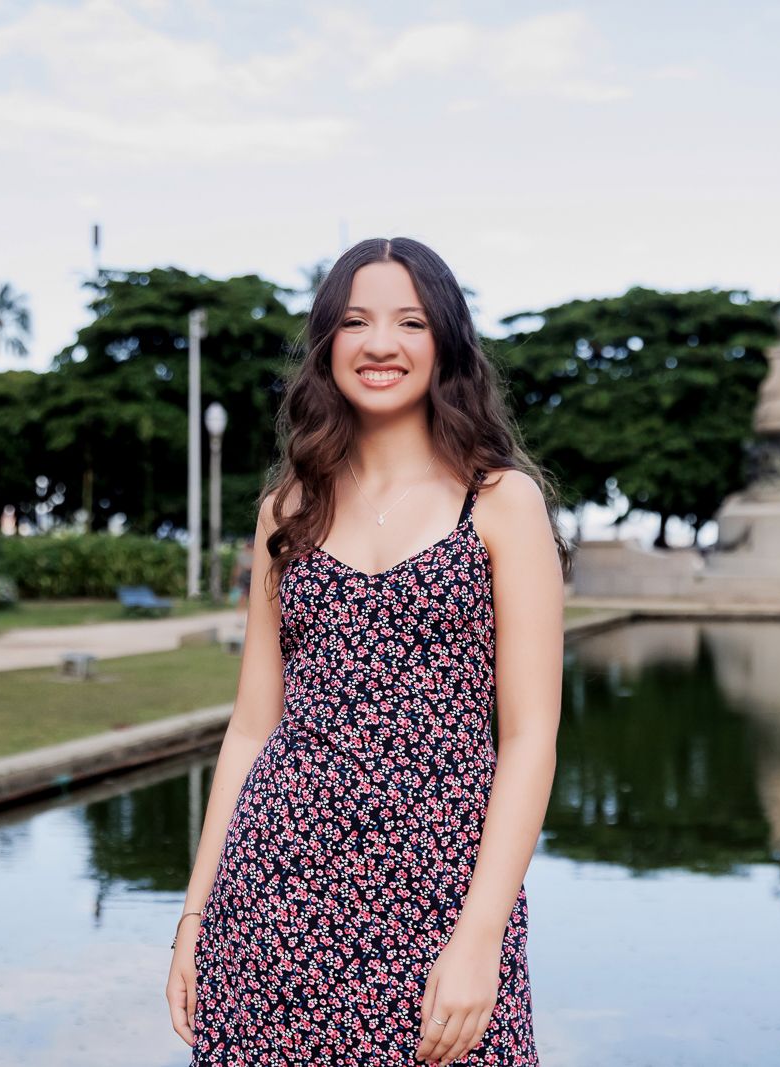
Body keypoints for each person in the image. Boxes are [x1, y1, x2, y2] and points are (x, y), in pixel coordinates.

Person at [165, 237, 568, 1066]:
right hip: (272, 891)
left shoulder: (499, 501)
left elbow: (529, 738)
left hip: (443, 898)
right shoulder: (288, 508)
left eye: (409, 321)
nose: (380, 343)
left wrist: (480, 934)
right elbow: (250, 729)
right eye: (356, 320)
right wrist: (195, 917)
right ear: (327, 346)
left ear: (445, 343)